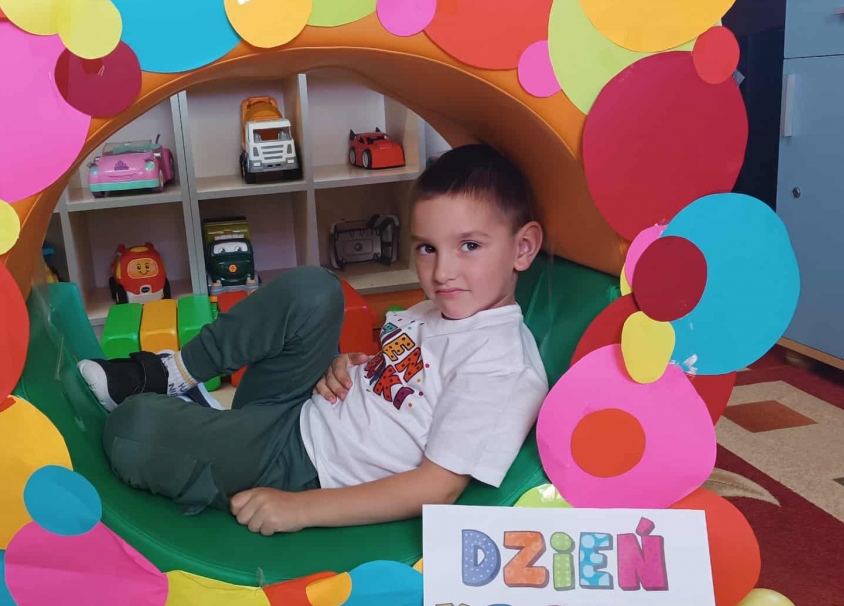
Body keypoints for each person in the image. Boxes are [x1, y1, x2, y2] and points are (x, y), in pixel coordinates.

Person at [78, 144, 548, 535]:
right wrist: (347, 364)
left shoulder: (500, 367)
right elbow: (404, 388)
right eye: (428, 248)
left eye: (470, 246)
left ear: (522, 248)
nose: (442, 272)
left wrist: (299, 509)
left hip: (301, 465)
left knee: (131, 427)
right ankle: (172, 372)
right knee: (313, 288)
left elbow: (437, 487)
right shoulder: (440, 310)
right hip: (302, 408)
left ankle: (196, 422)